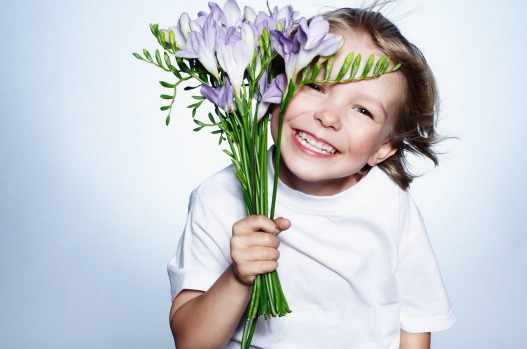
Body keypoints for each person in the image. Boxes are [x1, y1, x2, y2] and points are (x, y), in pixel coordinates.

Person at [167, 5, 455, 349]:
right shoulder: (219, 196)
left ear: (384, 148)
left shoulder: (389, 205)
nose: (328, 116)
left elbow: (416, 321)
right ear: (273, 87)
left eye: (362, 110)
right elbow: (191, 342)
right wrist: (238, 276)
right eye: (316, 85)